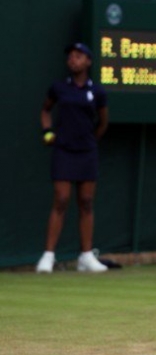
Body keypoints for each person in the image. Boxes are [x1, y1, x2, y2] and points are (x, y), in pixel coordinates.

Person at [36, 42, 110, 274]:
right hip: (63, 150)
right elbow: (45, 110)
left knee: (86, 202)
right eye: (70, 56)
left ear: (88, 61)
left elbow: (103, 122)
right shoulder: (59, 88)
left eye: (78, 56)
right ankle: (48, 256)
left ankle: (86, 257)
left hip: (87, 152)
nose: (73, 60)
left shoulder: (97, 91)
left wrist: (90, 141)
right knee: (61, 198)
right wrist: (48, 132)